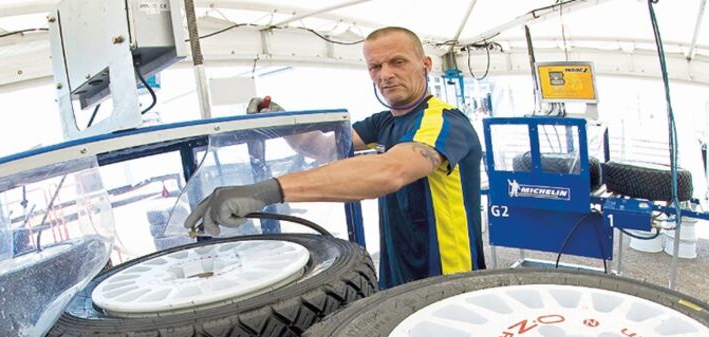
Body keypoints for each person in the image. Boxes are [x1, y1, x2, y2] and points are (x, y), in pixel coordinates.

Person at [185, 26, 486, 289]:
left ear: (425, 64)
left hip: (447, 276)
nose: (386, 75)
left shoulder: (444, 121)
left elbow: (390, 171)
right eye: (375, 66)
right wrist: (280, 120)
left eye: (398, 62)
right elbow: (323, 148)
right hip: (400, 269)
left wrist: (264, 191)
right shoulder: (384, 122)